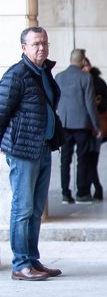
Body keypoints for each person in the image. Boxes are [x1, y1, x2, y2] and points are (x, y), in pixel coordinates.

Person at [0, 27, 64, 280]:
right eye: (36, 44)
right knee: (23, 207)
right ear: (24, 48)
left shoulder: (44, 73)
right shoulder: (16, 75)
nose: (41, 48)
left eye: (45, 44)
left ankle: (32, 260)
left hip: (43, 147)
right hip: (23, 150)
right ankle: (20, 264)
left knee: (36, 209)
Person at [56, 48, 101, 204]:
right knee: (83, 159)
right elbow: (90, 104)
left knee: (65, 160)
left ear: (70, 60)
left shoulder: (59, 77)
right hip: (82, 125)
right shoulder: (85, 77)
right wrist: (96, 125)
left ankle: (65, 194)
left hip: (64, 125)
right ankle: (82, 193)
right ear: (83, 61)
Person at [82, 57, 107, 201]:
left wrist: (98, 104)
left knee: (92, 159)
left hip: (96, 126)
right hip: (83, 126)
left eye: (86, 65)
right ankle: (93, 189)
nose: (85, 69)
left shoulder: (98, 81)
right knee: (87, 160)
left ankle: (96, 189)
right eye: (82, 66)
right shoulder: (79, 81)